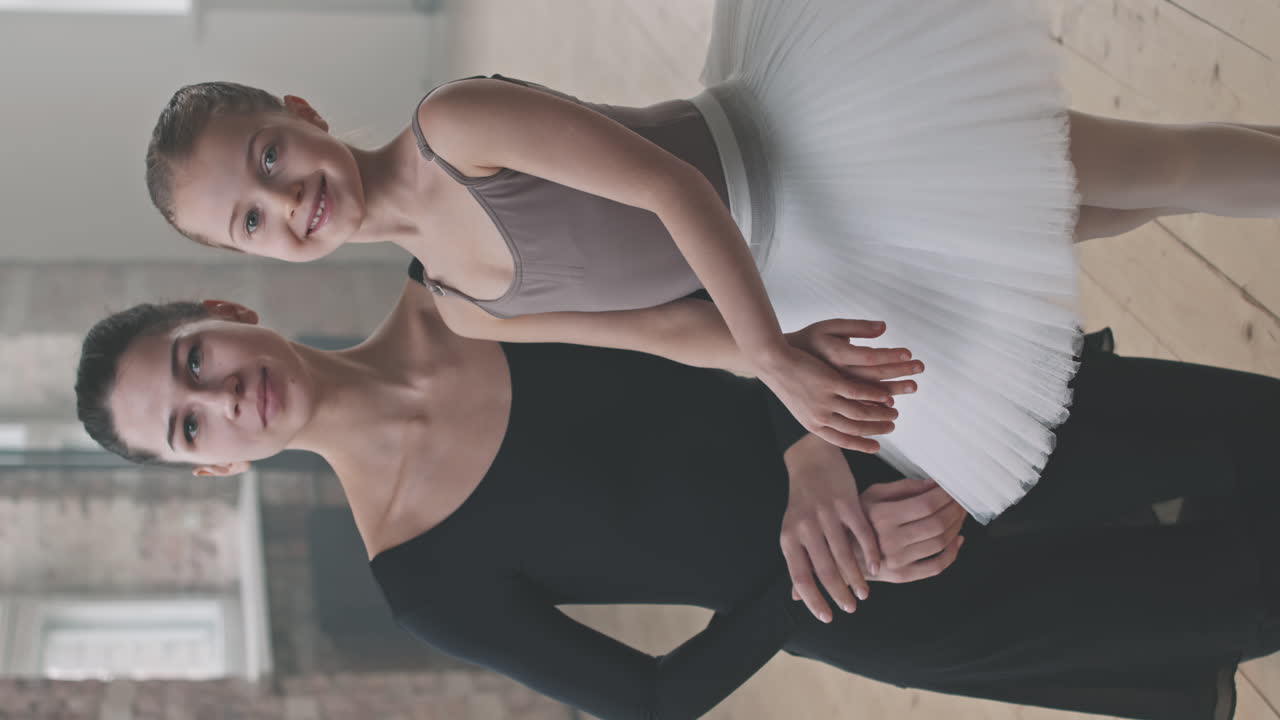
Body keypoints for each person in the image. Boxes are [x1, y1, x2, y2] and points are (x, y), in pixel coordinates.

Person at [140, 1, 1280, 522]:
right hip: (808, 263)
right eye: (251, 219)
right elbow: (660, 330)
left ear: (299, 113)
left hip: (824, 146)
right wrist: (780, 358)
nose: (286, 200)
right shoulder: (461, 307)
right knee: (1080, 215)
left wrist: (771, 351)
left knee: (1155, 165)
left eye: (269, 157)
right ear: (257, 256)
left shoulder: (455, 125)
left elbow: (668, 188)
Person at [75, 270, 1278, 720]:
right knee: (1245, 592)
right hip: (894, 590)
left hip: (888, 417)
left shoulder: (455, 278)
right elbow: (648, 699)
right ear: (213, 465)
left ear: (224, 312)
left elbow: (710, 287)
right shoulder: (420, 576)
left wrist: (808, 449)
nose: (222, 398)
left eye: (194, 360)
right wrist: (826, 571)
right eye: (189, 424)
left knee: (1248, 434)